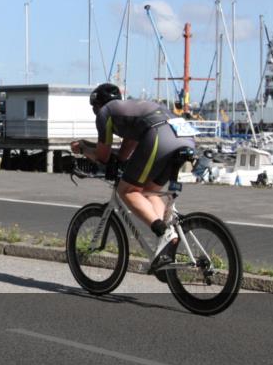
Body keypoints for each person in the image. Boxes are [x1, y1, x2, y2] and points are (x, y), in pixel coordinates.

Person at [70, 83, 196, 273]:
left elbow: (103, 157)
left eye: (93, 107)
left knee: (127, 190)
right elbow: (124, 154)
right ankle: (168, 245)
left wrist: (83, 149)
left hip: (160, 134)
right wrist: (117, 161)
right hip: (184, 135)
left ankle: (164, 232)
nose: (95, 111)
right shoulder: (129, 111)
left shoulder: (106, 112)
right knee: (149, 192)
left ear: (98, 104)